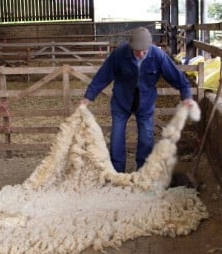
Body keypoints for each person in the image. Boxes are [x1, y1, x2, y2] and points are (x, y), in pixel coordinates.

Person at [80, 27, 195, 172]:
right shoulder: (119, 54)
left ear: (150, 46)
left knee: (146, 138)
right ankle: (117, 173)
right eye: (136, 50)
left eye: (144, 51)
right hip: (121, 102)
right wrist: (88, 97)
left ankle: (142, 172)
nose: (140, 54)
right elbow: (103, 76)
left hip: (145, 104)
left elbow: (177, 77)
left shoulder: (158, 55)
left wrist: (187, 95)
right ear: (130, 45)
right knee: (117, 137)